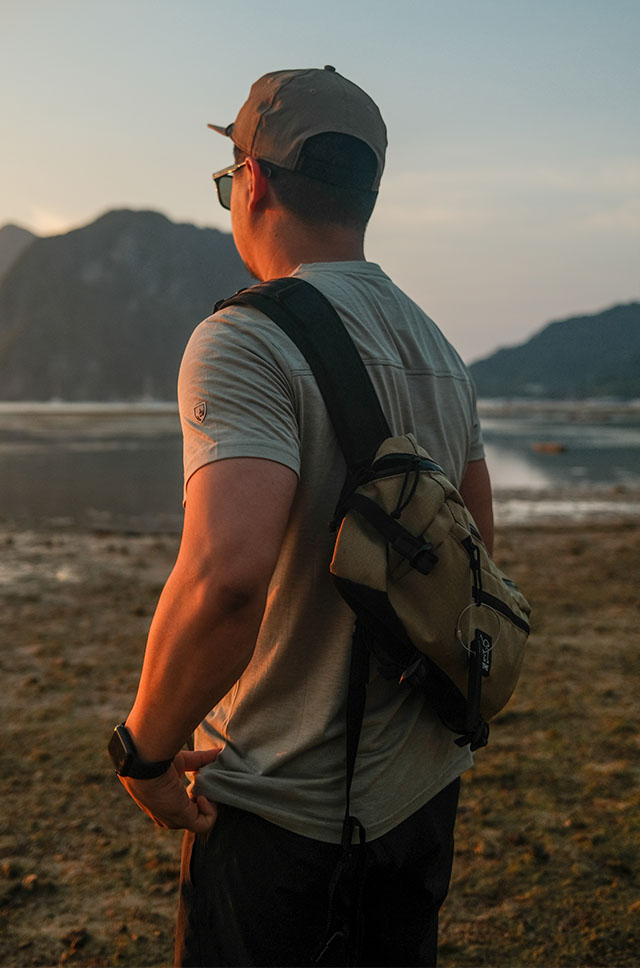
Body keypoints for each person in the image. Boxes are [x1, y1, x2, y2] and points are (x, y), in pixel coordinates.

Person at [108, 65, 494, 967]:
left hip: (283, 814)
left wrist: (146, 751)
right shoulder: (437, 346)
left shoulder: (244, 340)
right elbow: (476, 554)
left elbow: (225, 580)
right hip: (419, 798)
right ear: (365, 195)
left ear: (253, 180)